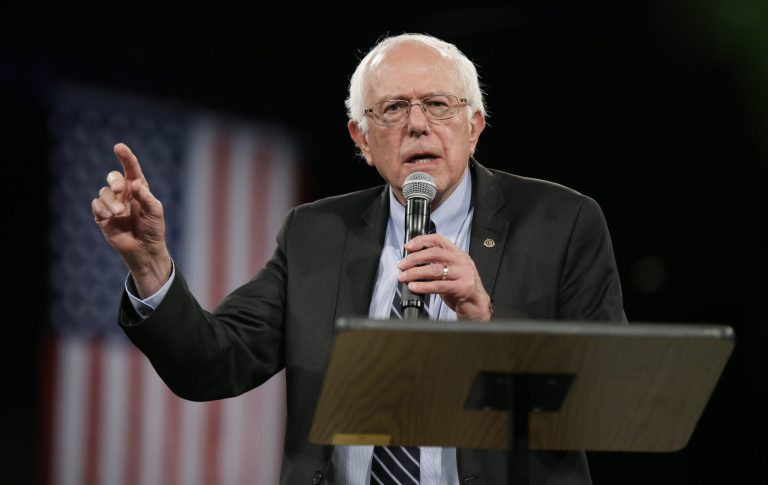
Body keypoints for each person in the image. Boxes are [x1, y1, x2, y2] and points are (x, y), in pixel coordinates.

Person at [92, 34, 626, 485]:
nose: (418, 125)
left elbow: (605, 402)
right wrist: (150, 265)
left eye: (439, 105)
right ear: (363, 139)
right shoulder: (315, 234)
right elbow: (212, 365)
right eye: (393, 109)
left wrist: (485, 319)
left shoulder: (562, 223)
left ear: (475, 125)